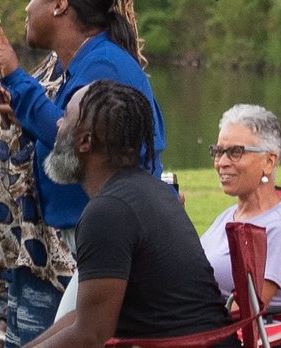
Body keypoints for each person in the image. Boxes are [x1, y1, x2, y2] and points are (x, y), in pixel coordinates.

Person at [0, 0, 149, 345]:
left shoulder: (104, 61)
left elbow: (74, 134)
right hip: (54, 240)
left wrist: (16, 78)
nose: (27, 7)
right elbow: (66, 130)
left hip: (78, 245)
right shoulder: (84, 57)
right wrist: (16, 106)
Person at [26, 81, 236, 347]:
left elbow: (89, 336)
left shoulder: (108, 212)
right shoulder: (150, 192)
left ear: (86, 141)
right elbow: (84, 317)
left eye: (65, 116)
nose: (58, 124)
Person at [200, 104, 281, 307]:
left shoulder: (278, 229)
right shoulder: (229, 216)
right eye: (219, 151)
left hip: (242, 336)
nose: (221, 162)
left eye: (236, 152)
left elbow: (246, 312)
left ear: (269, 162)